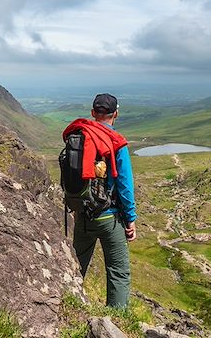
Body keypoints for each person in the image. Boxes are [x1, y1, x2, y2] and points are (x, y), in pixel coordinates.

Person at [65, 93, 137, 308]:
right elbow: (125, 184)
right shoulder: (116, 142)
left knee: (75, 267)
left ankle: (67, 307)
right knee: (118, 272)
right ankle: (117, 321)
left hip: (82, 215)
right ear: (116, 114)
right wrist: (131, 219)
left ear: (93, 113)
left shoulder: (78, 135)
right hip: (109, 218)